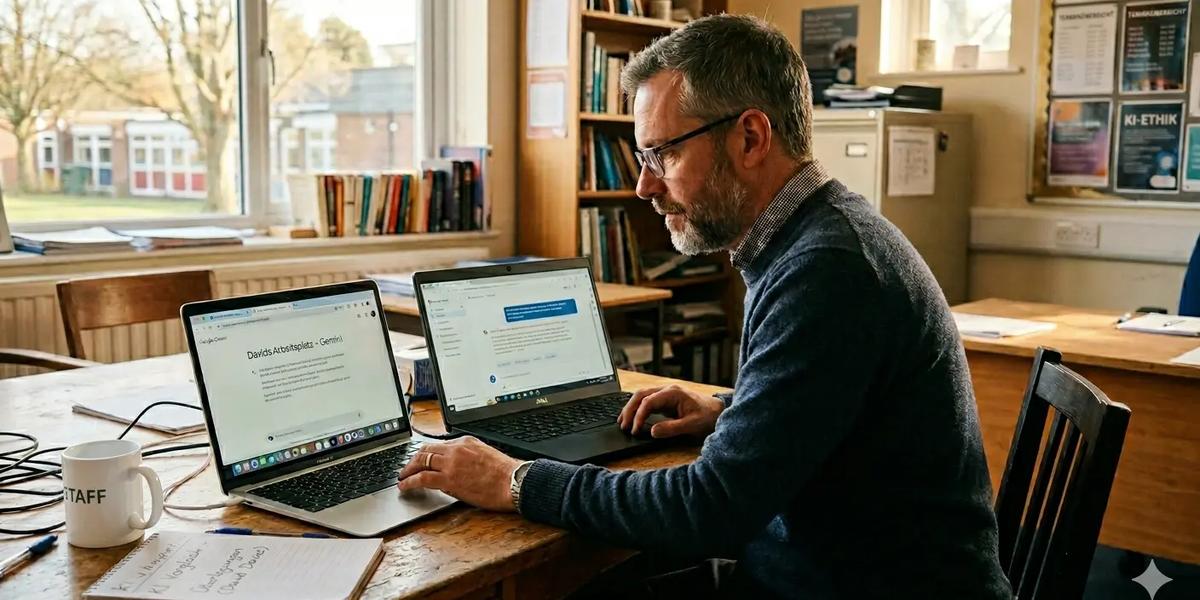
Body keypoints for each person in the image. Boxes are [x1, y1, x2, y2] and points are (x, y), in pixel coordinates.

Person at [397, 14, 1012, 599]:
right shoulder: (822, 235)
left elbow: (709, 510)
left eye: (661, 154)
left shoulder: (826, 271)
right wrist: (730, 410)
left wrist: (513, 480)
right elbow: (839, 413)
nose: (644, 186)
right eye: (641, 158)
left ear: (750, 137)